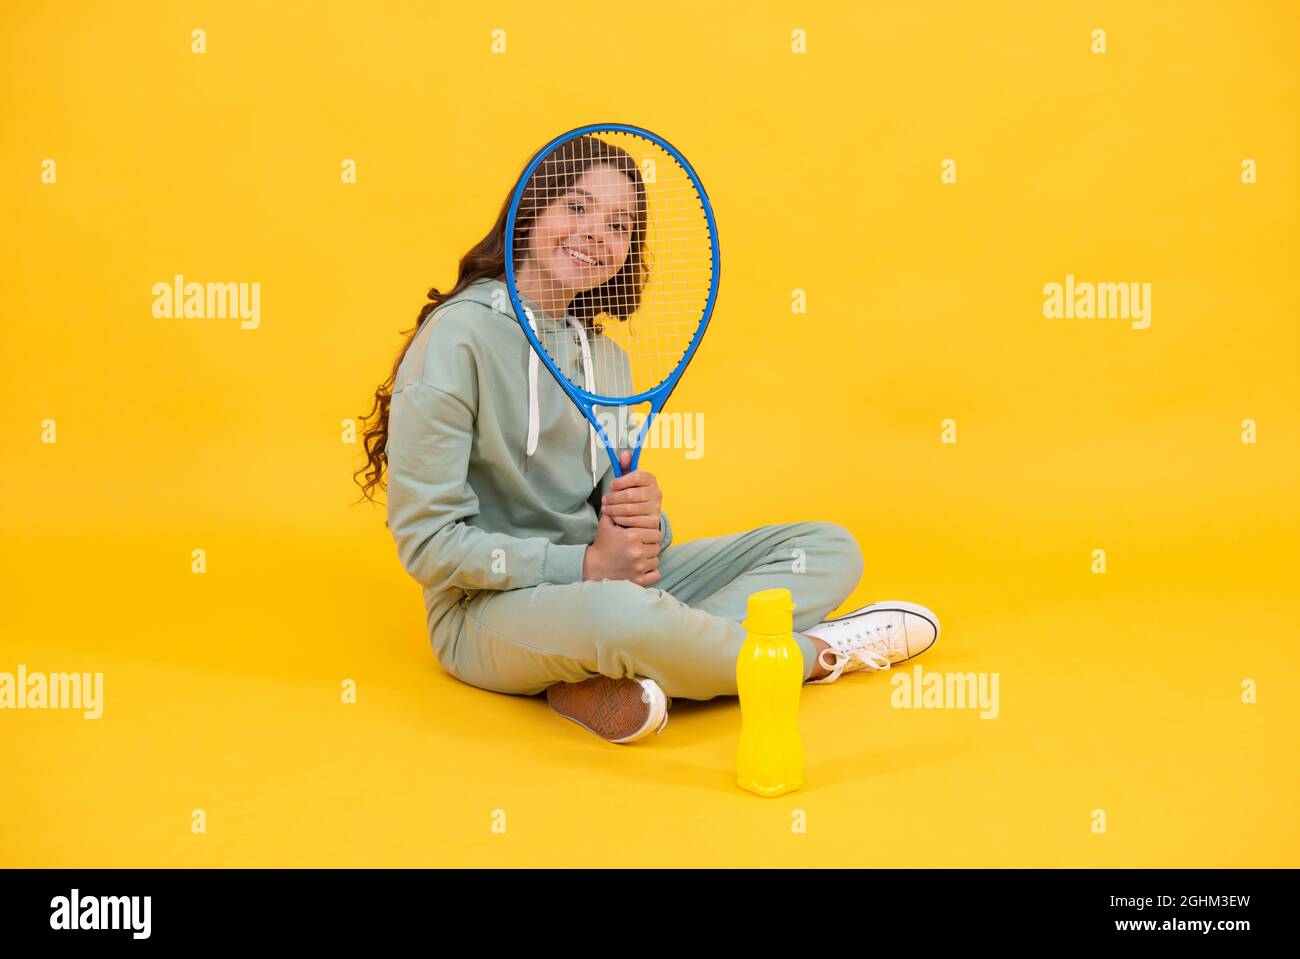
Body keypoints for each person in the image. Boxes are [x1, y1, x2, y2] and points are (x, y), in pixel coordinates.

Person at [354, 135, 940, 744]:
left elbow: (631, 551)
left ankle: (627, 669)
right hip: (484, 614)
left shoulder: (609, 363)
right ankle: (809, 656)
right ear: (529, 214)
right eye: (576, 208)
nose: (596, 234)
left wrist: (645, 524)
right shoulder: (458, 339)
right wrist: (582, 564)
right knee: (620, 613)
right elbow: (426, 545)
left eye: (619, 224)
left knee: (826, 547)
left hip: (608, 594)